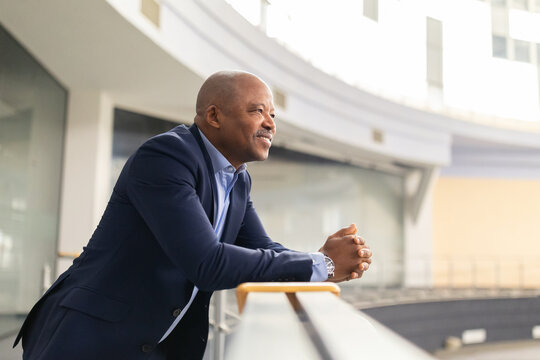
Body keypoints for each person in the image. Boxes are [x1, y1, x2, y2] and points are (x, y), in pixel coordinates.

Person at [14, 70, 372, 360]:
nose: (270, 124)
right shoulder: (166, 157)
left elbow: (262, 247)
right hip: (89, 339)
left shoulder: (238, 178)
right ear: (214, 115)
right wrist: (321, 264)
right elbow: (207, 262)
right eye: (257, 111)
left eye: (273, 114)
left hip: (157, 345)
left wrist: (325, 261)